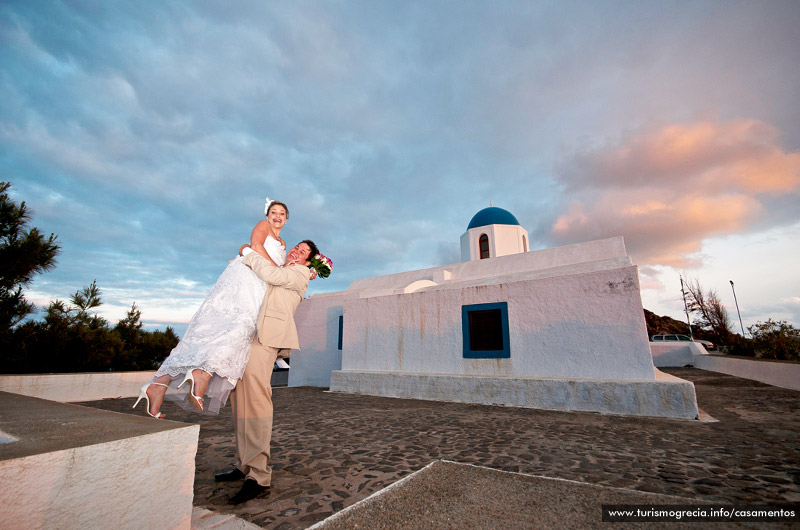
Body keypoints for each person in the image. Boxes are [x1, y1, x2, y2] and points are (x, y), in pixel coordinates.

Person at [133, 199, 291, 418]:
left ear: (287, 218)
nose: (277, 216)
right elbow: (254, 247)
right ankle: (201, 373)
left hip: (260, 286)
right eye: (273, 212)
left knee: (221, 332)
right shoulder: (262, 226)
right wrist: (276, 272)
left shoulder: (283, 242)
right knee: (234, 326)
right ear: (267, 216)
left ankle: (158, 385)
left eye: (282, 213)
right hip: (245, 281)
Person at [215, 240, 318, 504]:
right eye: (296, 247)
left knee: (258, 402)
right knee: (240, 401)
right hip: (249, 336)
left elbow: (271, 274)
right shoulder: (280, 266)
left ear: (309, 262)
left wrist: (249, 252)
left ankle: (258, 476)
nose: (296, 251)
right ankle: (244, 464)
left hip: (266, 339)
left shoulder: (300, 273)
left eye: (304, 252)